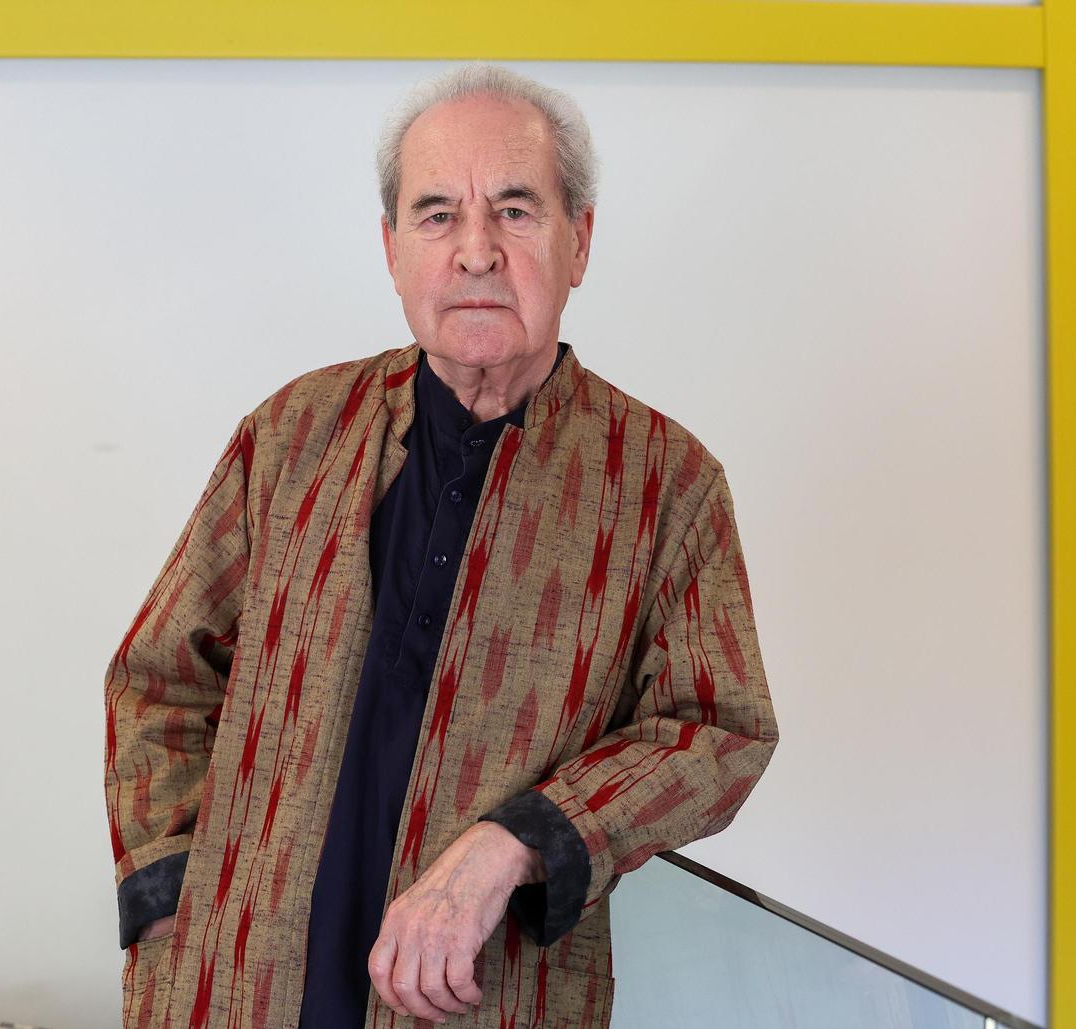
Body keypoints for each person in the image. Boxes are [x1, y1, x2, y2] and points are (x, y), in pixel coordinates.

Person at [104, 62, 780, 1029]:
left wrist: (517, 841)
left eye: (515, 210)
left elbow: (717, 729)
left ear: (580, 240)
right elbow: (160, 678)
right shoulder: (292, 433)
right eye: (436, 215)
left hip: (487, 999)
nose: (476, 252)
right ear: (391, 249)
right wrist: (176, 895)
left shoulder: (666, 482)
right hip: (236, 993)